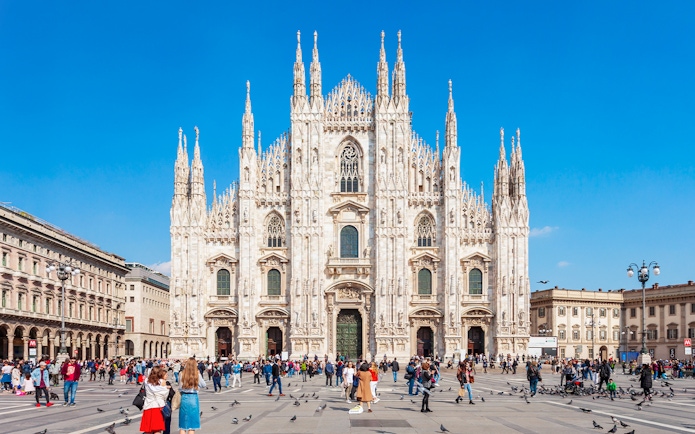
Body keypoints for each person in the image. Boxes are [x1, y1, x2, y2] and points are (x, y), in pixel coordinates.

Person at [179, 358, 206, 434]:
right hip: (193, 397)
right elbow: (204, 384)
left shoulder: (181, 373)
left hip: (184, 397)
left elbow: (180, 388)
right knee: (192, 425)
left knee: (183, 425)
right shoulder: (197, 374)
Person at [140, 366, 169, 434]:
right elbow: (164, 395)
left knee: (148, 430)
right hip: (158, 407)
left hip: (148, 406)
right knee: (157, 429)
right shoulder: (162, 382)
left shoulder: (147, 381)